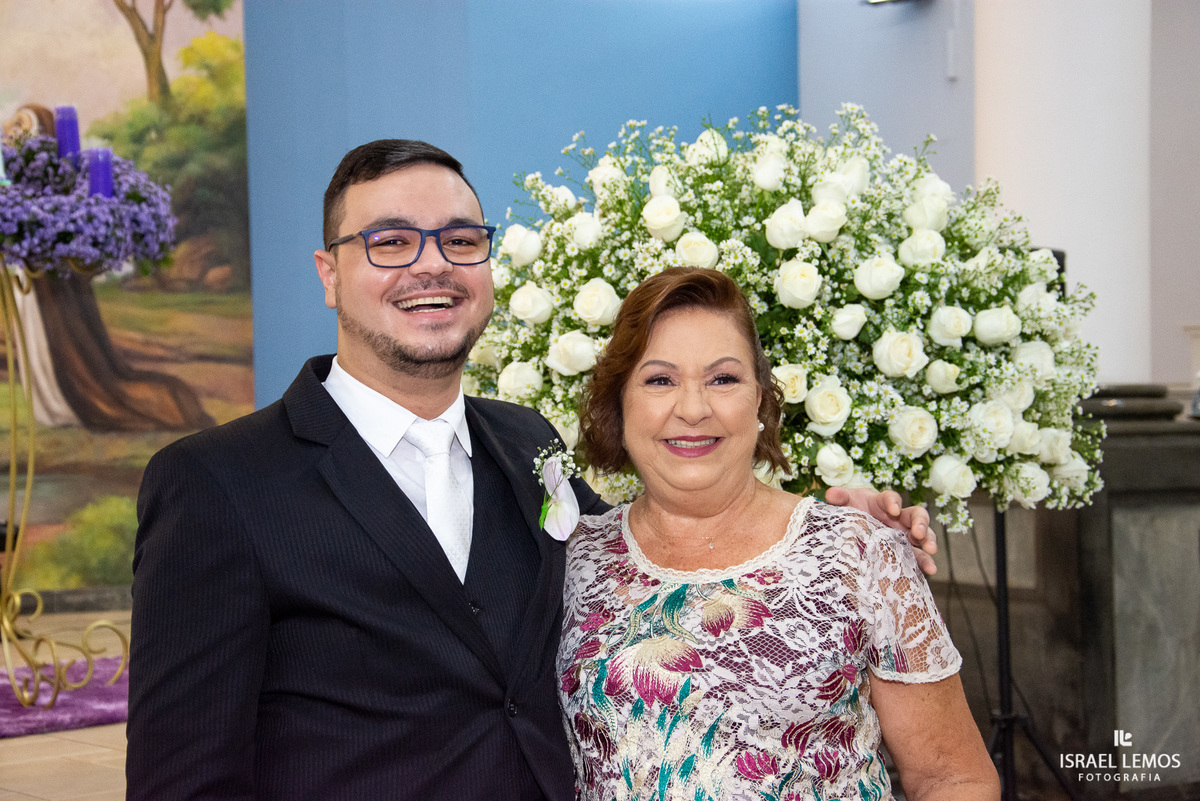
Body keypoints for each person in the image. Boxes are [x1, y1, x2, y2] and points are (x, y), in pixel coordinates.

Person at [127, 140, 938, 800]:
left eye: (460, 240)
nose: (431, 264)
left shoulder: (526, 446)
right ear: (329, 272)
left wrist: (826, 525)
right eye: (389, 241)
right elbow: (184, 780)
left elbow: (656, 552)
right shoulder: (217, 485)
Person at [558, 267, 999, 800]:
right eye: (660, 380)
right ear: (618, 406)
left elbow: (955, 778)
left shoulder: (858, 550)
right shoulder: (571, 557)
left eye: (723, 379)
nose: (694, 408)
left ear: (762, 402)